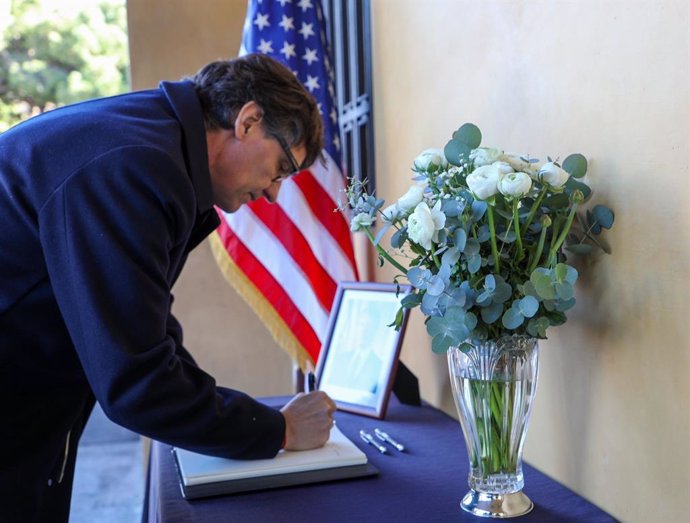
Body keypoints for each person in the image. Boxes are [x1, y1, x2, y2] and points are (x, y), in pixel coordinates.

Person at [0, 53, 337, 523]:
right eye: (280, 168)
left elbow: (146, 329)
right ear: (248, 121)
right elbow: (137, 381)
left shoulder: (153, 143)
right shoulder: (136, 166)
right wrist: (275, 430)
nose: (274, 193)